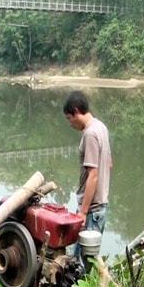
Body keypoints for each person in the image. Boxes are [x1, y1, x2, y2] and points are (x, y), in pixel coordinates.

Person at [63, 90, 112, 258]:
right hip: (101, 205)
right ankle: (102, 281)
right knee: (87, 257)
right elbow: (109, 164)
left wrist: (83, 213)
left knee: (80, 264)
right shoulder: (101, 127)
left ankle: (103, 280)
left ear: (76, 112)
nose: (70, 124)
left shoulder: (90, 134)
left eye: (69, 118)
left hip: (92, 210)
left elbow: (93, 175)